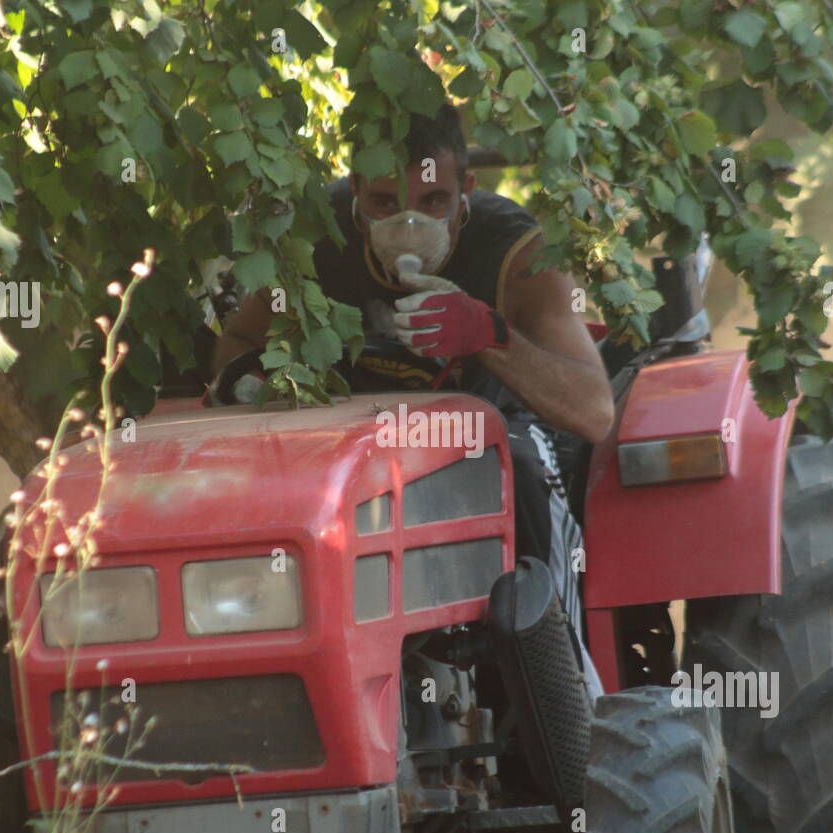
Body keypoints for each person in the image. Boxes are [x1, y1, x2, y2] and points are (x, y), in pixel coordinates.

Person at [212, 103, 614, 699]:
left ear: (465, 192)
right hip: (355, 445)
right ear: (354, 194)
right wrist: (243, 381)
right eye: (382, 203)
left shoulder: (516, 253)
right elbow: (242, 340)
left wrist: (489, 334)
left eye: (432, 202)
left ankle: (566, 693)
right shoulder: (315, 244)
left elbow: (595, 411)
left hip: (496, 432)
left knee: (523, 470)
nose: (408, 224)